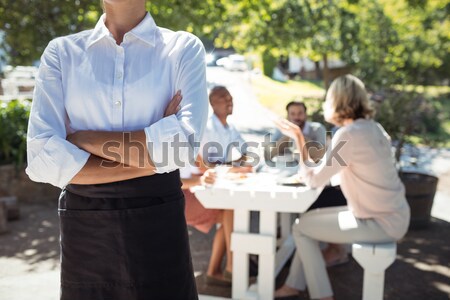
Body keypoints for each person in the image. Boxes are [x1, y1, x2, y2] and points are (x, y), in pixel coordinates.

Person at [26, 1, 208, 299]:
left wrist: (82, 138)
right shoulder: (61, 53)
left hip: (157, 218)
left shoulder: (182, 48)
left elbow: (182, 146)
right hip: (86, 223)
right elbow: (43, 158)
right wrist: (153, 153)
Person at [274, 74, 410, 299]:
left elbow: (313, 180)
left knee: (301, 227)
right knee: (310, 223)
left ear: (335, 101)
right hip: (394, 214)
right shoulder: (375, 128)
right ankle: (293, 286)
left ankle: (321, 295)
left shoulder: (348, 134)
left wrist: (298, 137)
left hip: (379, 221)